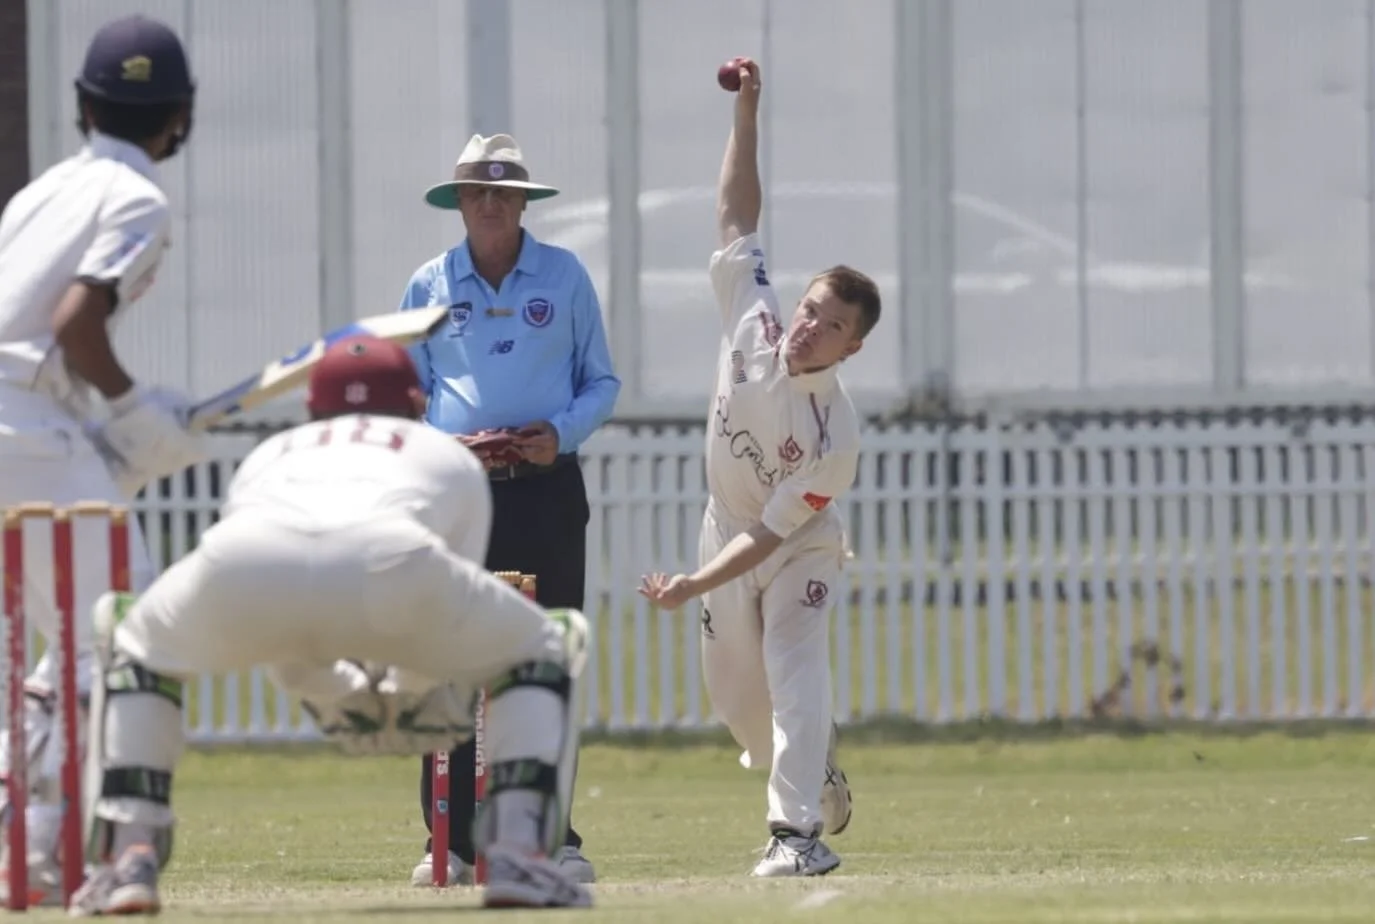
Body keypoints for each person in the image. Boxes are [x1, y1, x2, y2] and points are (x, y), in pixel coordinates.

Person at [70, 335, 596, 915]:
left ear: (310, 411)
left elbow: (282, 613)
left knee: (137, 645)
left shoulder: (272, 453)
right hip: (394, 559)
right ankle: (521, 855)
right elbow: (438, 612)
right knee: (546, 643)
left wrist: (333, 692)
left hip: (248, 558)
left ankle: (129, 855)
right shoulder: (443, 452)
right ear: (419, 405)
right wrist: (405, 697)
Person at [637, 57, 880, 878]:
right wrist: (746, 110)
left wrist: (688, 586)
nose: (807, 326)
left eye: (830, 324)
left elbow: (769, 538)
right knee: (741, 708)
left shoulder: (834, 436)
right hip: (722, 526)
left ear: (853, 346)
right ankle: (817, 773)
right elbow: (735, 211)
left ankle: (795, 835)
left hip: (794, 546)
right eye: (810, 308)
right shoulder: (756, 318)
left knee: (793, 666)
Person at [0, 15, 207, 906]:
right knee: (135, 622)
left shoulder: (40, 192)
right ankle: (113, 850)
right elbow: (72, 325)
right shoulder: (139, 198)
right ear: (180, 115)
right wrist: (129, 408)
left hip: (29, 422)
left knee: (57, 647)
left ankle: (32, 838)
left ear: (84, 105)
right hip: (28, 423)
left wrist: (98, 422)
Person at [398, 132, 619, 887]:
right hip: (458, 497)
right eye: (476, 192)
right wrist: (450, 447)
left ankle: (550, 834)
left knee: (544, 659)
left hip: (548, 491)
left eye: (504, 192)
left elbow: (602, 382)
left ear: (524, 203)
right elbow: (404, 393)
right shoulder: (428, 283)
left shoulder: (562, 276)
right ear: (458, 202)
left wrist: (557, 434)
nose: (490, 204)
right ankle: (452, 840)